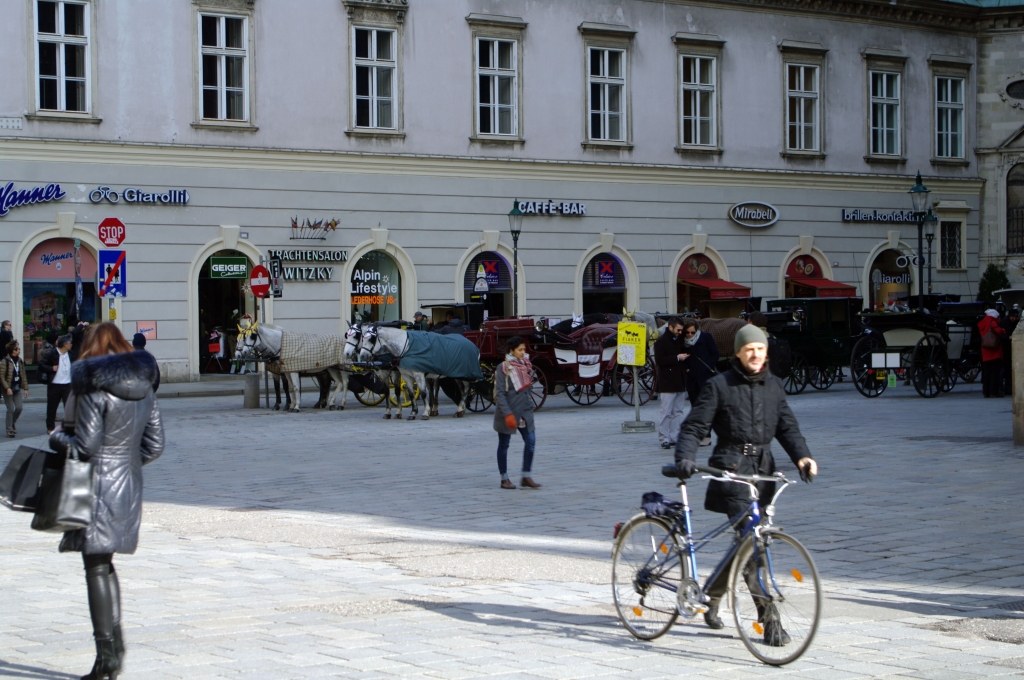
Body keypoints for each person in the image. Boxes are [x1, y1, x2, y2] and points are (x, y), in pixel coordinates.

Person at [674, 324, 817, 644]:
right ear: (738, 352)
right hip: (732, 472)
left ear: (766, 352)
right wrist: (685, 457)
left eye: (760, 348)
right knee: (752, 548)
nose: (755, 353)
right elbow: (694, 427)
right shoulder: (719, 386)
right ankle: (770, 621)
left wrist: (802, 457)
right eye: (748, 348)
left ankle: (711, 596)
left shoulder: (774, 386)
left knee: (746, 544)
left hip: (762, 473)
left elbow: (787, 427)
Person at [50, 322, 164, 680]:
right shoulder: (146, 388)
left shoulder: (92, 387)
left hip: (96, 487)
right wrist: (126, 464)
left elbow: (85, 446)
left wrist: (56, 438)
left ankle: (107, 658)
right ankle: (113, 651)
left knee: (95, 567)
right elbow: (155, 445)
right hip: (128, 485)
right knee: (105, 564)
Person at [493, 336, 540, 490]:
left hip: (525, 412)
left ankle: (526, 476)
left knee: (531, 442)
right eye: (520, 350)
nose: (522, 352)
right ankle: (504, 478)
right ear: (511, 350)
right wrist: (507, 414)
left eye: (524, 349)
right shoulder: (503, 367)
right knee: (504, 445)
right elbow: (500, 393)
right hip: (509, 412)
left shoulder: (527, 365)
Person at [680, 319, 719, 446]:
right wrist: (687, 368)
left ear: (697, 330)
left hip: (705, 378)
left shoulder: (706, 337)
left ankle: (706, 435)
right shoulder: (683, 342)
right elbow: (682, 357)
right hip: (692, 379)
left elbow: (715, 354)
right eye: (687, 332)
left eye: (692, 332)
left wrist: (706, 367)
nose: (690, 335)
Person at [654, 318, 689, 449]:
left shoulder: (678, 340)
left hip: (679, 380)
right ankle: (664, 438)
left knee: (678, 411)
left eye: (681, 330)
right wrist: (677, 358)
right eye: (678, 330)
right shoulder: (661, 341)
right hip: (668, 381)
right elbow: (659, 360)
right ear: (670, 327)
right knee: (666, 411)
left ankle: (675, 436)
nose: (680, 332)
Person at [43, 335, 73, 434]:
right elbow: (42, 365)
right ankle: (50, 427)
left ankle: (69, 427)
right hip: (55, 384)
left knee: (69, 407)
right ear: (65, 344)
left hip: (67, 384)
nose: (71, 344)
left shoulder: (71, 354)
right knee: (52, 407)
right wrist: (51, 368)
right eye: (70, 343)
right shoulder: (52, 353)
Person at [0, 341, 28, 437]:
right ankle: (9, 429)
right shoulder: (5, 361)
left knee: (19, 407)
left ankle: (12, 423)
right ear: (13, 350)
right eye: (18, 348)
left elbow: (23, 375)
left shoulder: (20, 361)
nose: (19, 350)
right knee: (11, 408)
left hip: (16, 387)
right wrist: (7, 388)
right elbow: (1, 377)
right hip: (7, 387)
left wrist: (25, 388)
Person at [979, 308, 1007, 398]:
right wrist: (1003, 330)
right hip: (994, 350)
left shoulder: (983, 322)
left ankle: (986, 392)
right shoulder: (992, 322)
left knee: (986, 372)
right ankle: (993, 392)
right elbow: (999, 331)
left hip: (985, 350)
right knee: (995, 372)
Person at [1001, 307, 1020, 395]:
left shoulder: (1015, 323)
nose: (1014, 318)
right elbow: (1000, 336)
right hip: (1006, 349)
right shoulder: (1004, 323)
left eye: (1015, 317)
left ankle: (1009, 388)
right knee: (1007, 370)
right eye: (1012, 316)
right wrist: (1008, 337)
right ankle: (1007, 388)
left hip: (1011, 349)